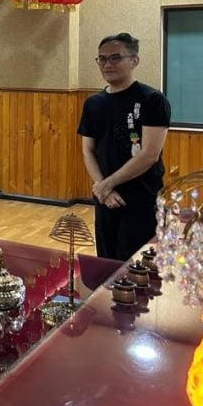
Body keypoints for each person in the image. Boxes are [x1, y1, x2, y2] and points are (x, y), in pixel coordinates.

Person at [79, 33, 171, 261]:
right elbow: (88, 150)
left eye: (115, 58)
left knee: (137, 264)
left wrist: (107, 184)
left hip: (141, 196)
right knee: (106, 261)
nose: (107, 64)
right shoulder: (93, 103)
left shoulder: (152, 100)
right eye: (102, 59)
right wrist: (103, 188)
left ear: (134, 60)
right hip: (106, 198)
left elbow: (149, 154)